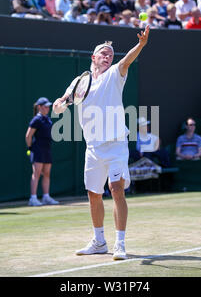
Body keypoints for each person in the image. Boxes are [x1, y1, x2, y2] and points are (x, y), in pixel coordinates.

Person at [52, 26, 151, 261]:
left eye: (110, 54)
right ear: (93, 57)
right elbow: (62, 104)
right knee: (93, 194)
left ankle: (120, 243)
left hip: (116, 144)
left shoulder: (116, 73)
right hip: (93, 147)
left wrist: (141, 45)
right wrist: (58, 105)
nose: (108, 57)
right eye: (103, 53)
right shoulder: (79, 82)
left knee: (116, 189)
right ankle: (98, 241)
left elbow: (127, 61)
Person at [26, 97, 59, 206]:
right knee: (37, 173)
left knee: (47, 173)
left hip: (47, 149)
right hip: (37, 149)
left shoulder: (47, 119)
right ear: (39, 107)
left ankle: (46, 197)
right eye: (45, 107)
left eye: (48, 107)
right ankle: (33, 198)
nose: (47, 109)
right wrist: (30, 148)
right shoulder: (36, 120)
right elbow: (28, 135)